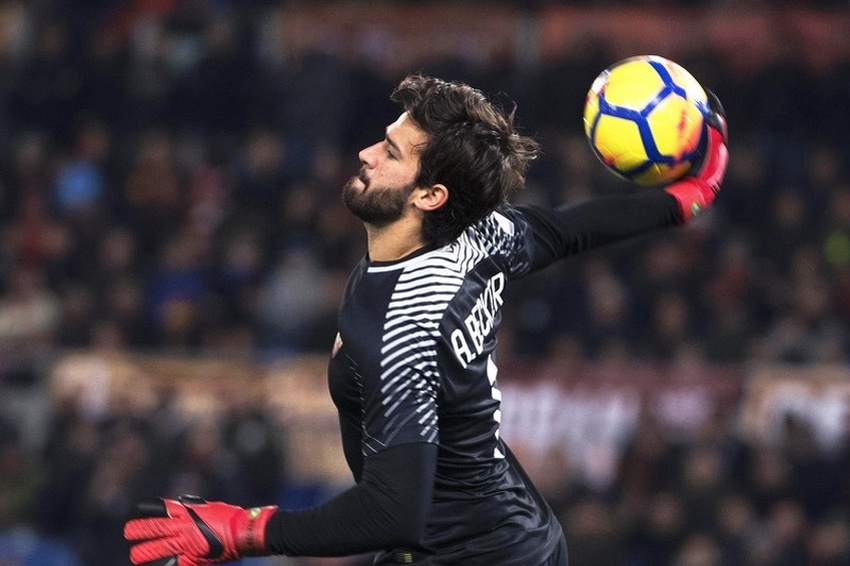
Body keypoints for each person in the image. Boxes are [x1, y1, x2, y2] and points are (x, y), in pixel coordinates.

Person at [123, 74, 728, 566]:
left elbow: (392, 510)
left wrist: (244, 530)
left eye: (388, 153)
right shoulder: (480, 237)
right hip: (497, 537)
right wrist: (682, 200)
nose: (364, 154)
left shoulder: (409, 321)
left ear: (430, 196)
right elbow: (570, 229)